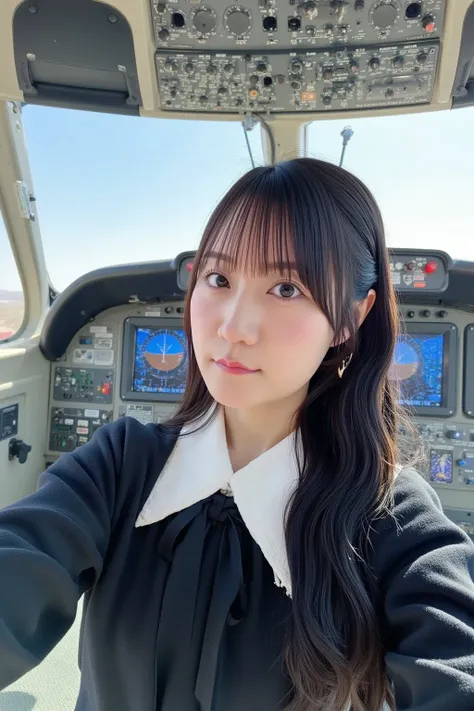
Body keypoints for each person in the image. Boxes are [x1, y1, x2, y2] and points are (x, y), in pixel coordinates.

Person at [0, 158, 473, 711]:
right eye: (219, 279)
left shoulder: (391, 517)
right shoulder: (119, 467)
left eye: (287, 288)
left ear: (351, 318)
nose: (232, 327)